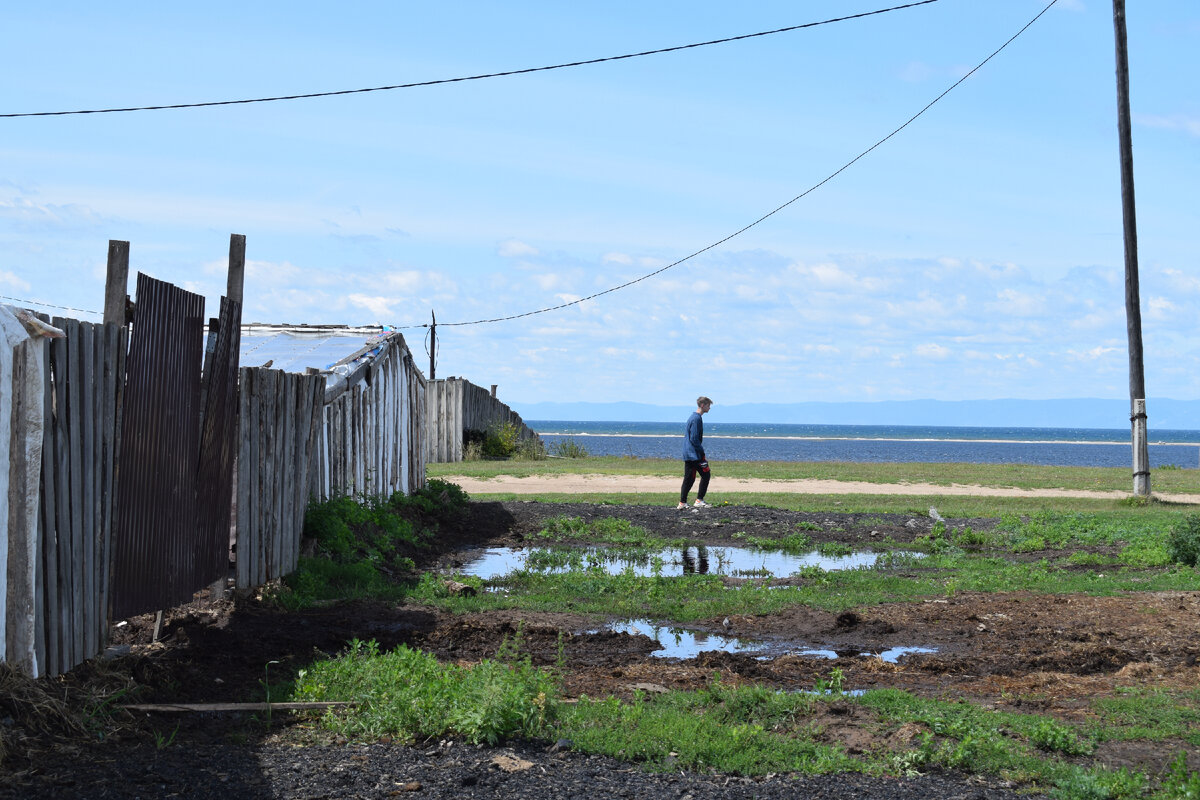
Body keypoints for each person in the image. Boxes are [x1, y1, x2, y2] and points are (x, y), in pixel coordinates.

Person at [678, 396, 713, 509]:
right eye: (708, 405)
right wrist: (701, 452)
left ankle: (683, 503)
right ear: (703, 405)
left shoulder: (694, 417)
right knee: (705, 474)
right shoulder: (696, 418)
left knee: (689, 478)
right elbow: (694, 438)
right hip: (694, 454)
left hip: (689, 453)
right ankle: (699, 500)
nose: (709, 408)